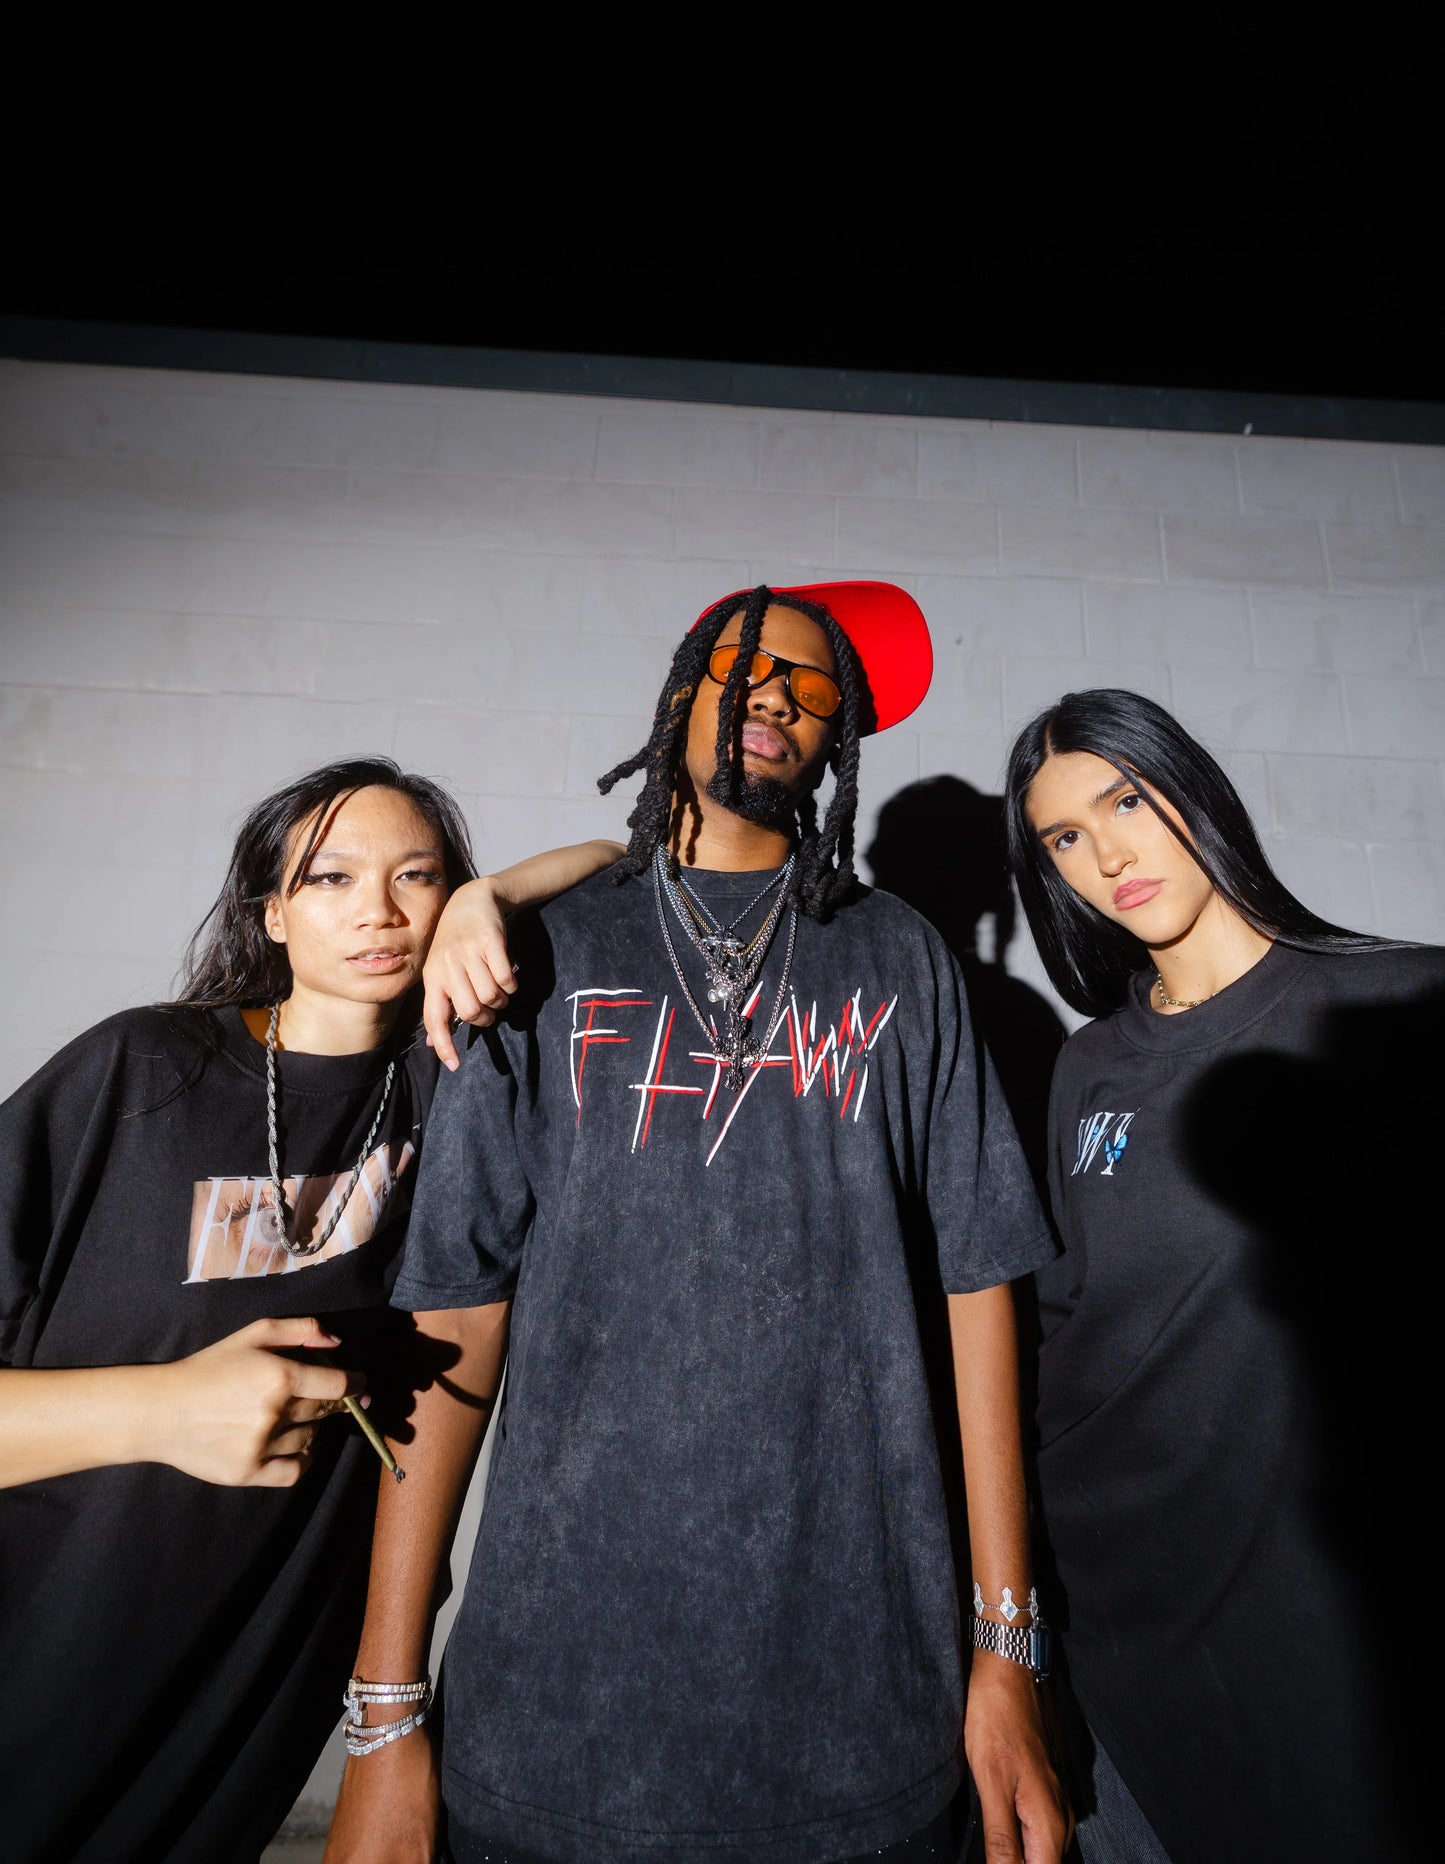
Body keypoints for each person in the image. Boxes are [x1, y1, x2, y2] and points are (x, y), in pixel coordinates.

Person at [325, 581, 1070, 1864]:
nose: (772, 693)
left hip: (866, 1725)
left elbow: (977, 1288)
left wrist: (1005, 1650)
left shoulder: (899, 958)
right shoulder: (531, 954)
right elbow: (452, 1316)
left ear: (839, 737)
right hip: (554, 1733)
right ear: (680, 695)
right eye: (741, 666)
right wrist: (385, 1713)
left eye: (809, 682)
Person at [0, 755, 619, 1864]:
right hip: (46, 1635)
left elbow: (626, 862)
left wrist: (497, 897)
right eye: (329, 879)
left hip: (260, 1653)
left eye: (418, 875)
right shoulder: (141, 1070)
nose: (379, 911)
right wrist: (162, 1409)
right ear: (273, 912)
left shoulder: (453, 1089)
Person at [1004, 689, 1444, 1864]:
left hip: (1330, 1640)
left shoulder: (1399, 1003)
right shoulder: (1086, 1067)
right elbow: (1054, 1339)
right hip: (1117, 1629)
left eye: (1124, 800)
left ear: (1186, 787)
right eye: (1062, 836)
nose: (1106, 852)